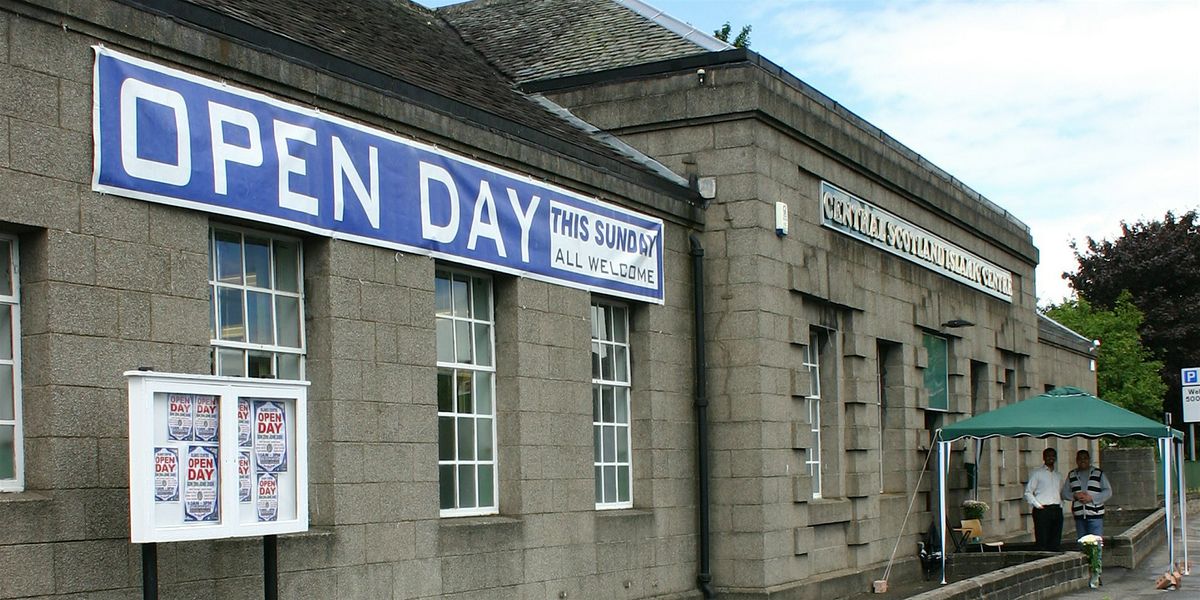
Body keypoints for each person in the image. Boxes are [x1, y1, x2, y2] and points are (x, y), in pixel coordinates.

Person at [1062, 449, 1112, 537]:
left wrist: (1092, 498)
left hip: (1095, 516)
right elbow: (1064, 493)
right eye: (1080, 458)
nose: (1083, 460)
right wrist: (1075, 495)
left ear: (1089, 460)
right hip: (1079, 516)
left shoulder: (1098, 473)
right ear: (1076, 460)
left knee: (1095, 544)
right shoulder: (1072, 474)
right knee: (1082, 544)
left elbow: (1108, 491)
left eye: (1085, 458)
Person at [1023, 447, 1064, 551]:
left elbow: (1061, 492)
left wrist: (1061, 505)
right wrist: (1037, 505)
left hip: (1056, 509)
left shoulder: (1058, 475)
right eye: (1048, 456)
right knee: (1042, 541)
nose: (1051, 458)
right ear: (1044, 458)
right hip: (1043, 510)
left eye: (1053, 456)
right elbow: (1028, 492)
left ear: (1056, 458)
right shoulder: (1037, 473)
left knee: (1055, 541)